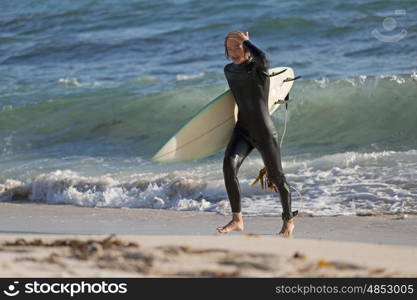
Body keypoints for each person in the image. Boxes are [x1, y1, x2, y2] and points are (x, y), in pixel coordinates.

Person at [217, 30, 298, 237]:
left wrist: (247, 42)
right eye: (230, 48)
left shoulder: (258, 69)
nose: (233, 52)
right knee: (228, 166)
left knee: (277, 178)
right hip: (243, 130)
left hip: (263, 131)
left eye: (238, 47)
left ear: (247, 49)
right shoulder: (228, 70)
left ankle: (288, 221)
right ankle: (237, 219)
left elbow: (264, 59)